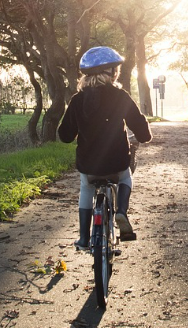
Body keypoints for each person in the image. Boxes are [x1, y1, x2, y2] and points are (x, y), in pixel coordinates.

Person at [58, 46, 152, 250]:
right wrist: (143, 134)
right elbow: (143, 132)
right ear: (110, 73)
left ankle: (84, 238)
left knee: (86, 187)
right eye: (115, 70)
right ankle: (121, 212)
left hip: (88, 165)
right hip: (116, 163)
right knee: (126, 177)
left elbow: (64, 136)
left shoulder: (77, 100)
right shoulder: (121, 97)